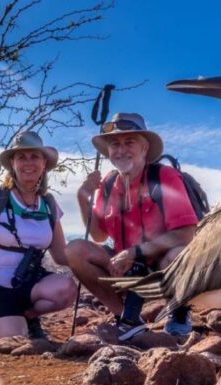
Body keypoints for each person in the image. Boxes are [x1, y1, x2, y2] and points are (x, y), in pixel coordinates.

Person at [66, 112, 199, 341]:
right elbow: (98, 236)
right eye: (115, 143)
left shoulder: (164, 176)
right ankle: (126, 320)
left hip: (159, 264)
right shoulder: (107, 183)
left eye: (130, 142)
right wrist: (82, 197)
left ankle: (178, 312)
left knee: (178, 255)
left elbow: (187, 234)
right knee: (75, 250)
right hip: (123, 265)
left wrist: (136, 252)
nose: (121, 149)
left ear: (144, 147)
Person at [0, 131, 76, 347]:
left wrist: (91, 263)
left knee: (67, 289)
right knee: (14, 342)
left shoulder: (49, 204)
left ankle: (29, 316)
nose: (28, 163)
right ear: (12, 163)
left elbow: (61, 256)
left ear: (44, 163)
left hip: (28, 281)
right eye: (21, 157)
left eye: (35, 157)